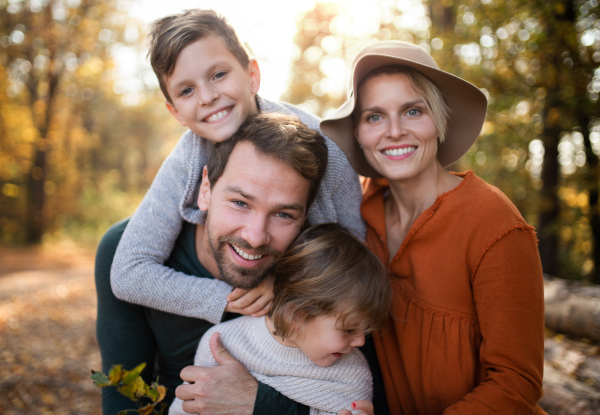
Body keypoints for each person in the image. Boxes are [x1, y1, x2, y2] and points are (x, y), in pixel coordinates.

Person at [95, 8, 365, 414]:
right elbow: (129, 272)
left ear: (252, 75)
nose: (207, 96)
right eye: (186, 91)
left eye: (218, 75)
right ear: (175, 113)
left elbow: (355, 256)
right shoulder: (188, 157)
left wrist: (290, 284)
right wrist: (228, 297)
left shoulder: (322, 150)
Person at [320, 40, 546, 414]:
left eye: (412, 111)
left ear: (440, 121)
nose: (394, 131)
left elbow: (516, 385)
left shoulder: (494, 225)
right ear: (358, 133)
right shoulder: (359, 209)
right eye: (374, 116)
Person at [169, 222, 392, 415]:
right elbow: (189, 406)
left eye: (366, 330)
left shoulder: (352, 374)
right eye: (349, 329)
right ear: (296, 315)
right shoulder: (223, 343)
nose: (361, 342)